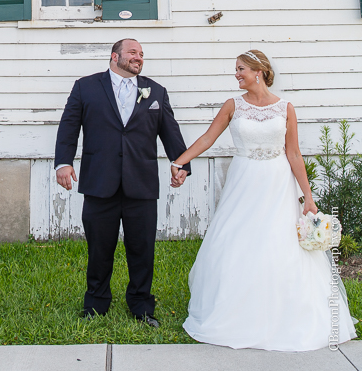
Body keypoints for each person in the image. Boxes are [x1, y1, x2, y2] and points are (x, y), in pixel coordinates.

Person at [171, 49, 356, 351]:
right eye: (236, 69)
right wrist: (179, 161)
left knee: (278, 242)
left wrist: (307, 198)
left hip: (277, 181)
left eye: (241, 69)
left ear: (258, 71)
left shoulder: (285, 108)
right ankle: (234, 310)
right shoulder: (233, 105)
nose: (236, 74)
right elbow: (208, 138)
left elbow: (294, 153)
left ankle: (287, 312)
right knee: (237, 240)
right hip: (244, 180)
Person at [54, 38, 190, 326]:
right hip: (99, 181)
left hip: (141, 183)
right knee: (99, 248)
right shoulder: (86, 87)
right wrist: (63, 163)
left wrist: (181, 163)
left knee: (142, 249)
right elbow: (69, 126)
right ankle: (96, 303)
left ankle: (142, 305)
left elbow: (170, 131)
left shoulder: (156, 91)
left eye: (141, 54)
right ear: (114, 56)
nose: (138, 57)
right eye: (132, 52)